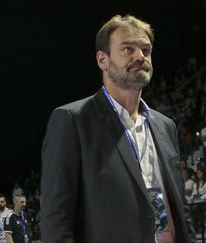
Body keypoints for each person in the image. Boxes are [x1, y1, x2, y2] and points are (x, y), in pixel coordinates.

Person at [41, 14, 196, 243]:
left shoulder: (166, 126)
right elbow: (56, 220)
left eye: (146, 50)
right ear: (102, 60)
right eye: (127, 49)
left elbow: (179, 207)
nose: (140, 56)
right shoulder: (72, 120)